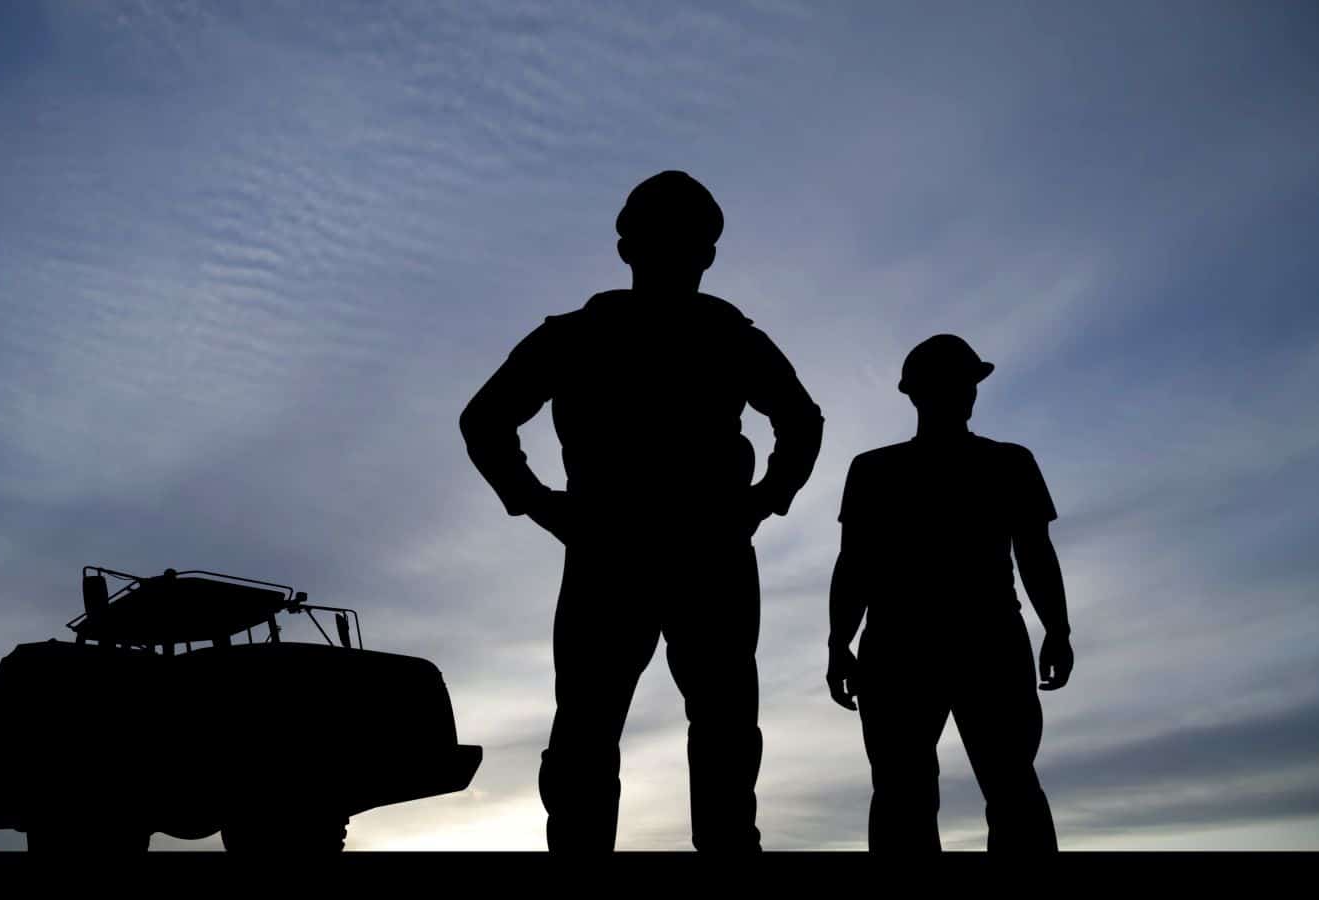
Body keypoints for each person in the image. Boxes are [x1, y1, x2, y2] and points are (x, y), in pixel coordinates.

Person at [459, 171, 825, 852]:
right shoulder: (587, 336)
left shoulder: (720, 336)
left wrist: (760, 503)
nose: (674, 255)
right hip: (631, 552)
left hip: (684, 552)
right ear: (630, 248)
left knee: (692, 726)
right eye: (666, 239)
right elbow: (483, 420)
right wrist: (541, 506)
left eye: (684, 242)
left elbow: (802, 422)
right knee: (606, 730)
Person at [825, 333, 1073, 852]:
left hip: (931, 644)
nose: (965, 395)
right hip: (942, 643)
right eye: (960, 385)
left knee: (980, 789)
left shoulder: (882, 469)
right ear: (923, 394)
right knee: (928, 792)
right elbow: (855, 565)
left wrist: (1058, 628)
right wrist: (837, 643)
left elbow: (1035, 552)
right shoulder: (883, 469)